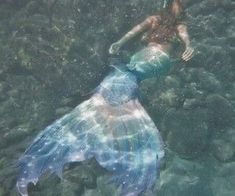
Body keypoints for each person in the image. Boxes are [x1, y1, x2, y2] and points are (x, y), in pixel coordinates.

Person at [16, 0, 194, 196]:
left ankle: (107, 123)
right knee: (125, 81)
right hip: (162, 62)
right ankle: (114, 119)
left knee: (120, 82)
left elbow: (131, 34)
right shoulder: (179, 25)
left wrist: (118, 44)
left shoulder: (154, 19)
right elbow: (185, 41)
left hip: (145, 57)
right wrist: (188, 48)